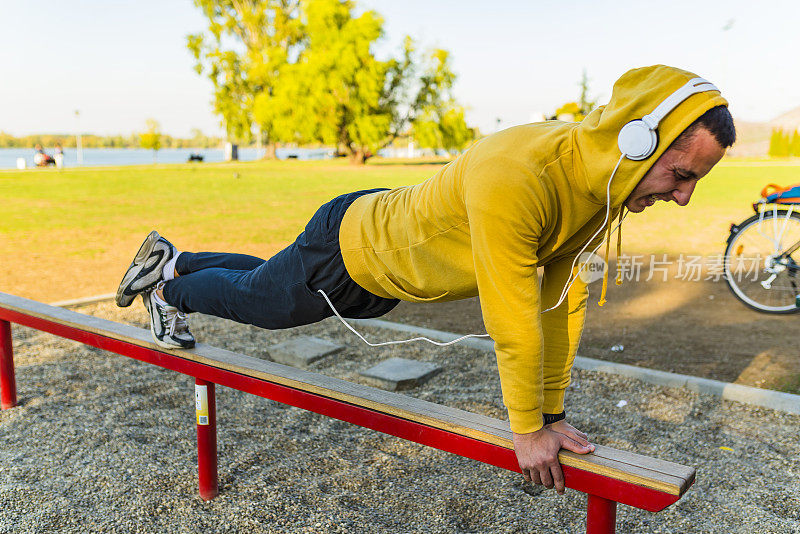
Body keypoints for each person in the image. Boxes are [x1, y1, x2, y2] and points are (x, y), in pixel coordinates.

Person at [115, 65, 735, 494]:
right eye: (679, 175)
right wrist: (527, 429)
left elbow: (559, 302)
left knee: (269, 281)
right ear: (635, 142)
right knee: (264, 303)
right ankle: (169, 287)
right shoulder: (523, 176)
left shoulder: (596, 189)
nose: (682, 197)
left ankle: (178, 258)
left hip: (379, 260)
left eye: (693, 183)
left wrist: (551, 412)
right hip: (356, 250)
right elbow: (514, 316)